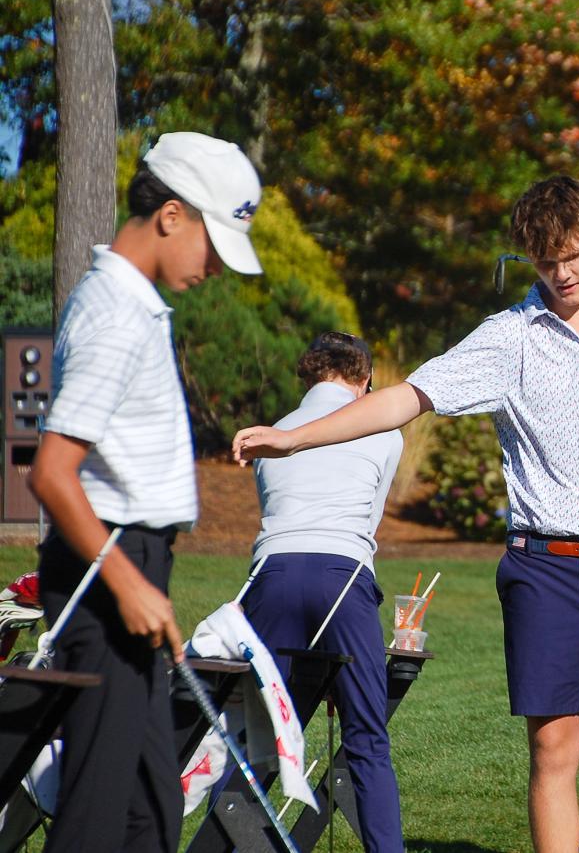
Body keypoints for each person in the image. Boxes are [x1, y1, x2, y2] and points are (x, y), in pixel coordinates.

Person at [232, 175, 579, 853]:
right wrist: (296, 438)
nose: (561, 273)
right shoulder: (507, 338)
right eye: (546, 260)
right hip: (543, 570)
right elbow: (407, 398)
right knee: (553, 746)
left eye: (574, 256)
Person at [29, 131, 263, 853]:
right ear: (170, 215)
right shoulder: (116, 314)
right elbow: (52, 473)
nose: (215, 269)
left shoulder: (135, 305)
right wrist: (130, 584)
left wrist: (140, 579)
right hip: (105, 575)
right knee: (100, 810)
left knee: (151, 808)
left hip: (127, 567)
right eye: (212, 246)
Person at [240, 330, 405, 853]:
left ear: (309, 374)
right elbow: (369, 523)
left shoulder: (273, 434)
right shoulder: (386, 433)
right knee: (367, 741)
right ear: (365, 379)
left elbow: (275, 512)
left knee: (259, 739)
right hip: (344, 577)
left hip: (273, 575)